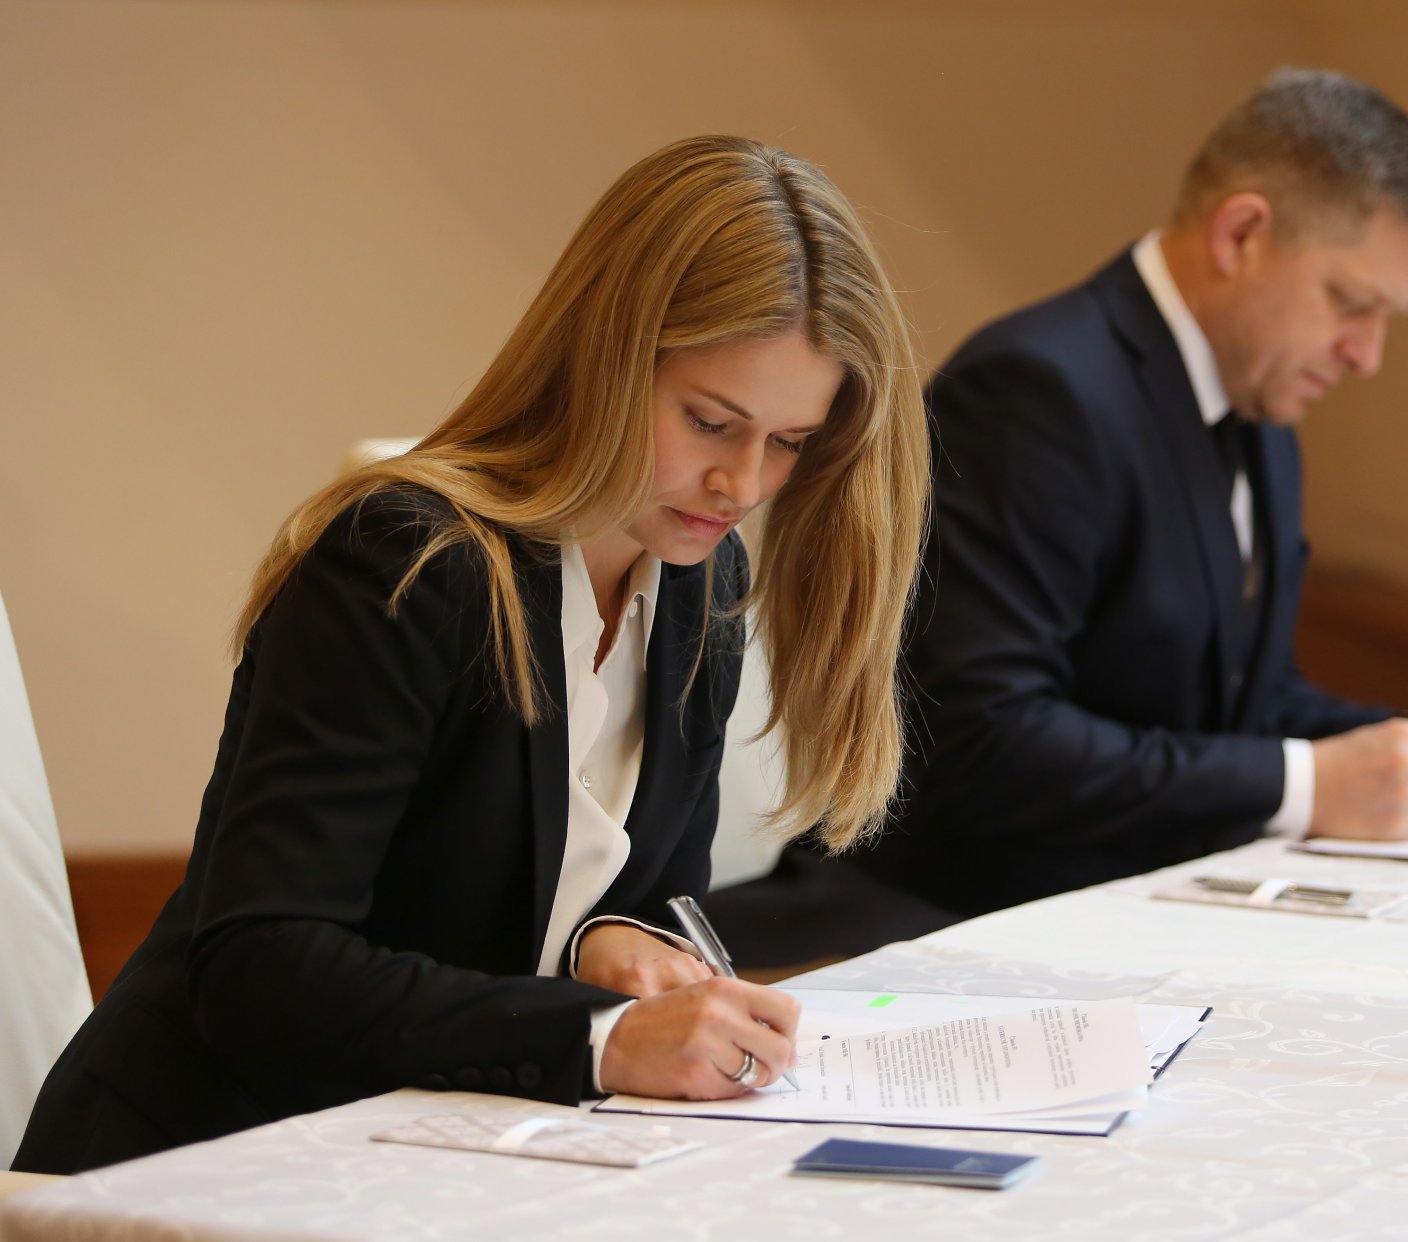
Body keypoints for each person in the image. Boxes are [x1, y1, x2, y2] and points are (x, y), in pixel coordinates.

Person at [12, 135, 928, 1174]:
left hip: (429, 1151)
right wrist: (602, 1037)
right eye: (712, 422)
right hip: (194, 1163)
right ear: (603, 358)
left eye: (791, 442)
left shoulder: (701, 585)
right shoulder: (404, 561)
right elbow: (261, 968)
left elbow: (596, 903)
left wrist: (604, 948)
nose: (744, 485)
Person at [765, 68, 1408, 930]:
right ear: (1242, 235)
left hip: (1140, 905)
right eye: (1351, 303)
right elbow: (983, 745)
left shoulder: (1259, 405)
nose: (1366, 355)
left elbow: (1245, 697)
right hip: (959, 916)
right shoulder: (1038, 391)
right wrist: (1307, 785)